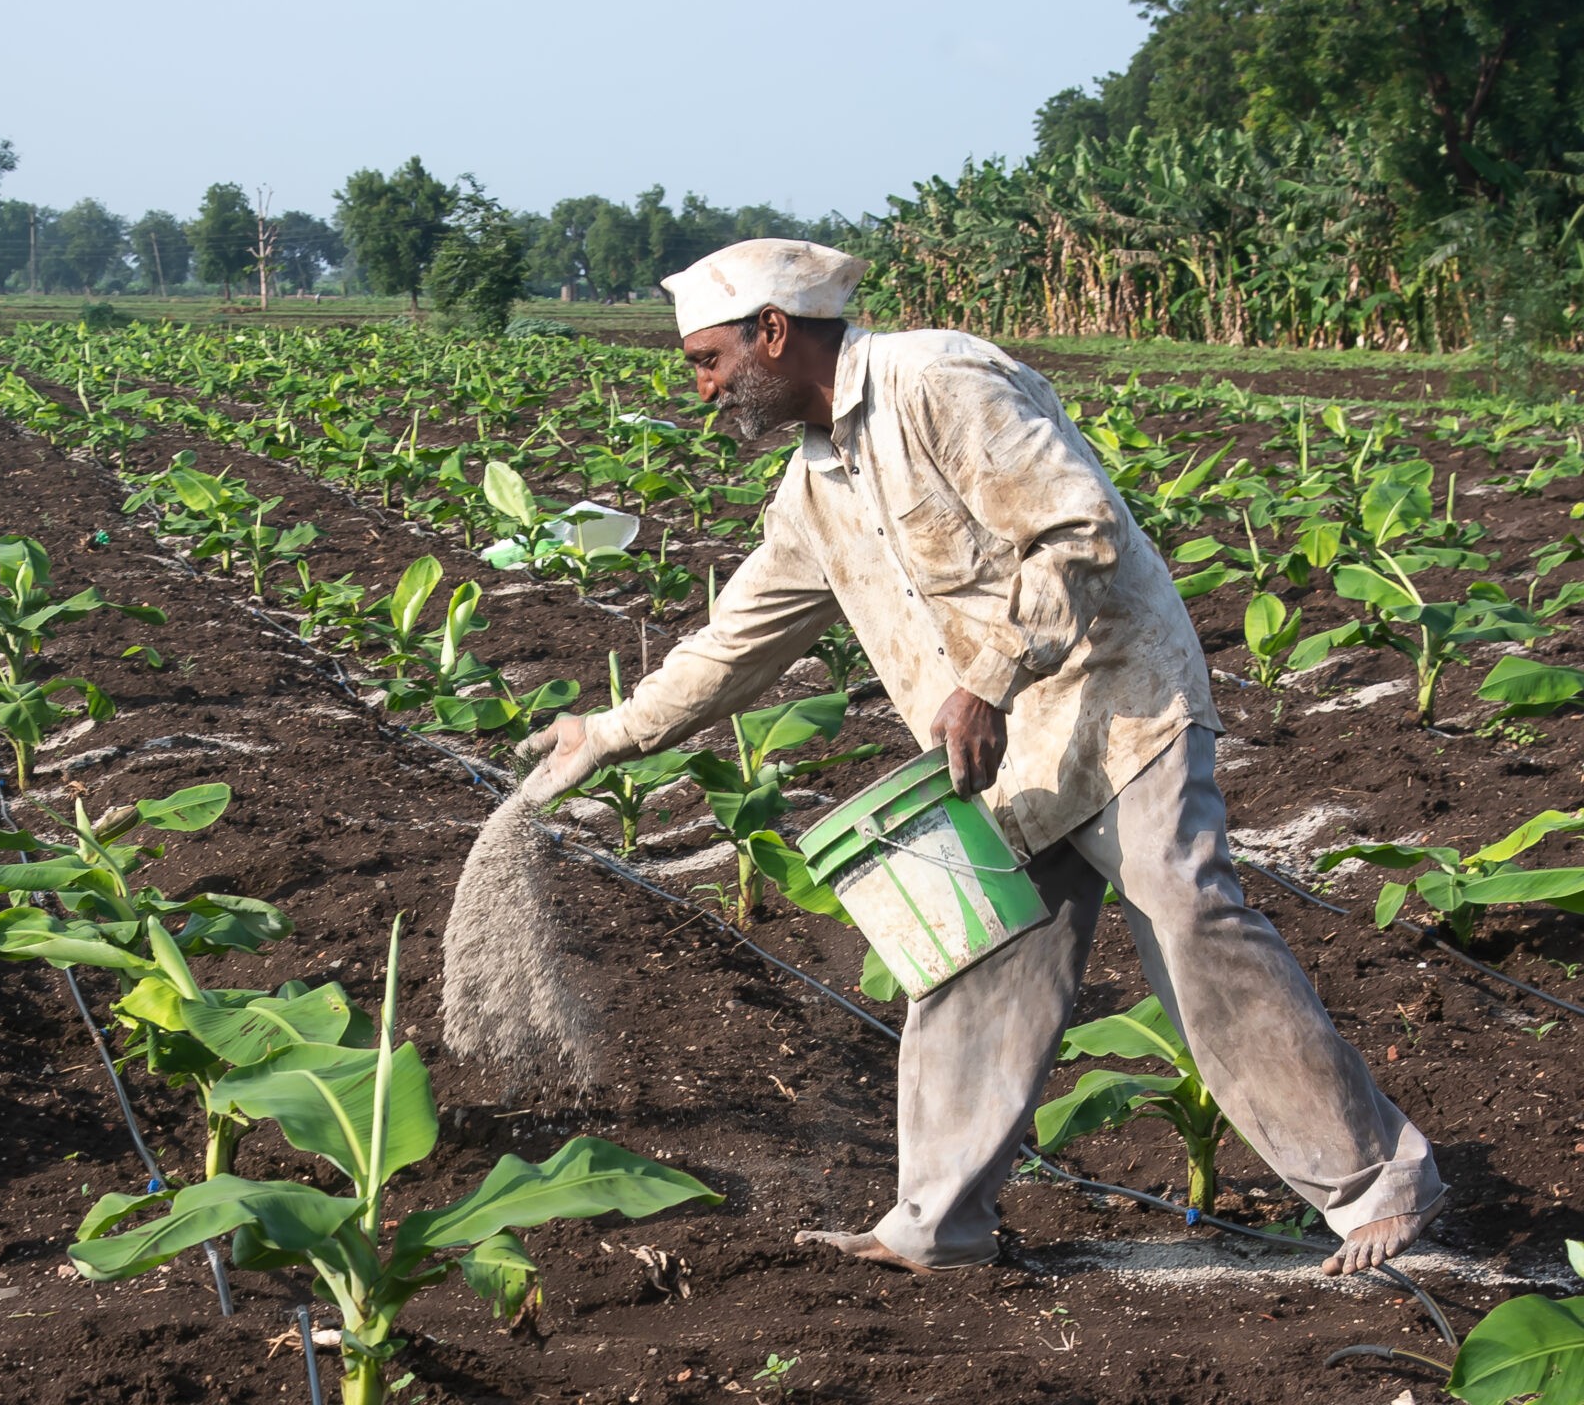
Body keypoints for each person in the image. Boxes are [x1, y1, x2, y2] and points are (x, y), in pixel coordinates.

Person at [517, 238, 1444, 1278]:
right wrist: (609, 733)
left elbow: (1078, 531)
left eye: (708, 360)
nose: (702, 389)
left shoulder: (938, 379)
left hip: (1115, 699)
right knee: (970, 956)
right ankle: (938, 1224)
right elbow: (737, 640)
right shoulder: (812, 486)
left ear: (773, 332)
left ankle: (1380, 1186)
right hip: (993, 742)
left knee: (1189, 911)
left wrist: (992, 677)